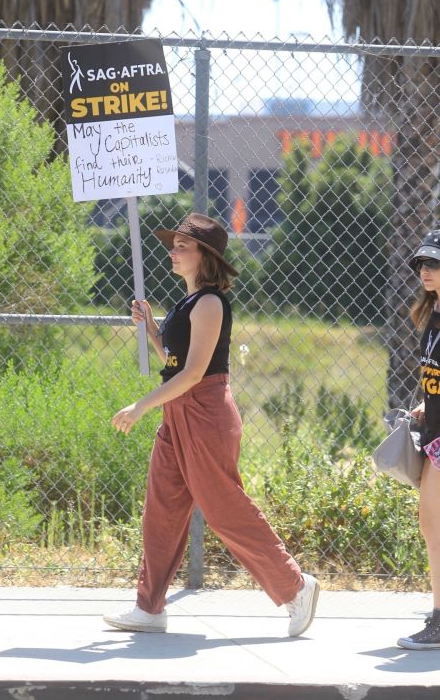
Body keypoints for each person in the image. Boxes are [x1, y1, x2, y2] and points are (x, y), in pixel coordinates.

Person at [103, 212, 319, 636]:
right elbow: (174, 360)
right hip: (179, 414)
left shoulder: (210, 302)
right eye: (174, 244)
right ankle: (149, 608)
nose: (173, 251)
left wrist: (141, 406)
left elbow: (194, 373)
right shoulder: (187, 302)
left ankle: (296, 587)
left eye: (182, 246)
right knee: (161, 511)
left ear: (206, 256)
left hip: (204, 412)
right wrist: (150, 328)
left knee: (224, 510)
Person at [397, 230, 440, 650]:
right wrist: (429, 406)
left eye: (434, 264)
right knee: (432, 526)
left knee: (432, 525)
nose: (426, 271)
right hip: (434, 433)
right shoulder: (431, 316)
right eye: (422, 264)